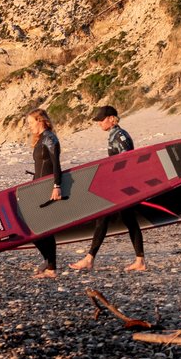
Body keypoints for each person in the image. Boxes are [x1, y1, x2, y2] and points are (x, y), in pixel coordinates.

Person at [69, 105, 146, 272]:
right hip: (121, 185)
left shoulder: (120, 136)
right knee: (130, 221)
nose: (99, 123)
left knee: (104, 218)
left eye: (101, 120)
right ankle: (140, 261)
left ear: (112, 119)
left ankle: (90, 259)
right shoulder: (114, 135)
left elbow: (128, 161)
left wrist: (120, 185)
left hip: (123, 186)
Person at [28, 109, 64, 279]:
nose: (29, 127)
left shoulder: (50, 138)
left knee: (41, 228)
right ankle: (49, 263)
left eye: (30, 122)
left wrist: (57, 186)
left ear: (40, 120)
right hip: (37, 187)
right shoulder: (40, 139)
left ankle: (51, 266)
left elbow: (56, 164)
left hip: (47, 187)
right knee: (36, 228)